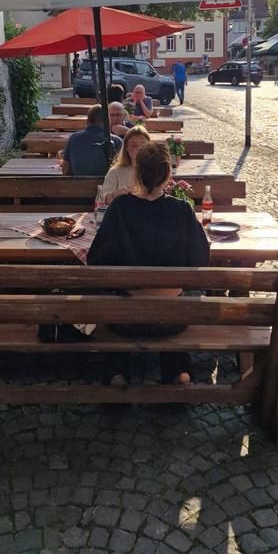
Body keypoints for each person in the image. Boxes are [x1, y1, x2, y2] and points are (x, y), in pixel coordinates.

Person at [87, 141, 209, 387]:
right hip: (172, 318)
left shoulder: (119, 208)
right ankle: (179, 372)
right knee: (172, 302)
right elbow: (201, 260)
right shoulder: (183, 210)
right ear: (168, 174)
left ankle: (117, 373)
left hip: (126, 319)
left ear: (136, 172)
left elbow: (96, 260)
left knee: (114, 299)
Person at [61, 104, 121, 175]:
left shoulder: (74, 138)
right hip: (106, 184)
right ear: (107, 120)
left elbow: (65, 168)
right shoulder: (115, 141)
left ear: (87, 120)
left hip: (79, 184)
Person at [102, 125, 150, 203]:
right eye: (134, 145)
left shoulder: (155, 170)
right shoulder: (115, 172)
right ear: (126, 148)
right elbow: (104, 200)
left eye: (143, 145)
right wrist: (117, 193)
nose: (139, 149)